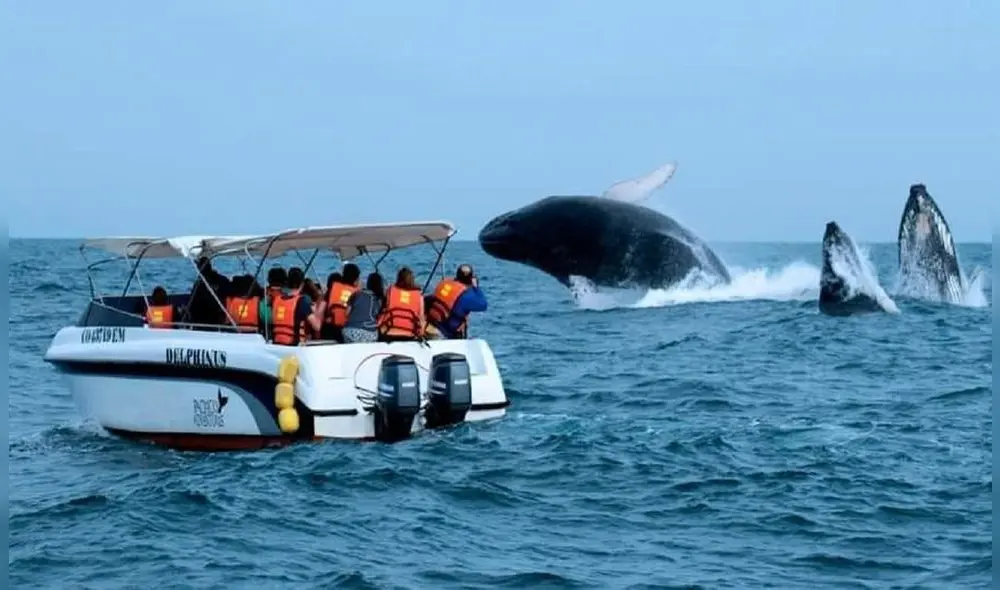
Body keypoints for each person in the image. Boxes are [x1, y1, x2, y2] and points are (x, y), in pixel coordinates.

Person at [426, 264, 488, 339]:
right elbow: (483, 305)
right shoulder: (466, 296)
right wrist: (476, 287)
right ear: (470, 279)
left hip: (430, 323)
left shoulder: (444, 283)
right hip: (447, 333)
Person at [270, 267, 321, 345]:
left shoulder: (277, 300)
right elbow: (317, 326)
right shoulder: (302, 301)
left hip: (277, 344)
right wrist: (319, 308)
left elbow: (273, 320)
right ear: (302, 284)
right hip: (294, 346)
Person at [377, 267, 424, 342]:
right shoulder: (419, 296)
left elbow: (384, 310)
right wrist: (421, 334)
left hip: (389, 332)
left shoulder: (390, 291)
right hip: (410, 335)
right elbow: (421, 318)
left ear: (398, 278)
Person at [322, 263, 361, 342]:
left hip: (330, 328)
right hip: (347, 330)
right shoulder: (358, 293)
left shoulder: (334, 288)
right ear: (356, 279)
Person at [342, 272, 385, 343]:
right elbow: (379, 320)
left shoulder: (356, 294)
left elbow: (346, 313)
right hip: (369, 334)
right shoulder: (380, 299)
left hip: (350, 332)